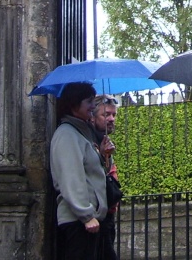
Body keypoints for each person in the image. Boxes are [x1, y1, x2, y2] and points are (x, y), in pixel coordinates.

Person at [50, 82, 107, 260]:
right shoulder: (67, 134)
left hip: (88, 220)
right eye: (89, 101)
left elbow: (94, 173)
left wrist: (104, 154)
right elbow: (71, 178)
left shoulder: (82, 132)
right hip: (79, 221)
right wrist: (86, 215)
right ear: (74, 105)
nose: (93, 106)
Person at [91, 94, 121, 260]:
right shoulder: (90, 141)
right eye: (106, 114)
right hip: (97, 217)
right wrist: (103, 157)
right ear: (93, 118)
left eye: (113, 115)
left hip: (108, 215)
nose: (111, 119)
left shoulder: (104, 140)